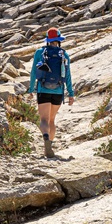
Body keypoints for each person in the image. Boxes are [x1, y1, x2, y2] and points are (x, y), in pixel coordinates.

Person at [28, 27, 74, 157]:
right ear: (59, 40)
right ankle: (50, 146)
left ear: (48, 40)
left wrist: (31, 89)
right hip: (58, 91)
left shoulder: (39, 52)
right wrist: (71, 93)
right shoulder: (64, 54)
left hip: (43, 89)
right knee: (52, 120)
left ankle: (46, 139)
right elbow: (68, 75)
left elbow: (33, 72)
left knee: (44, 119)